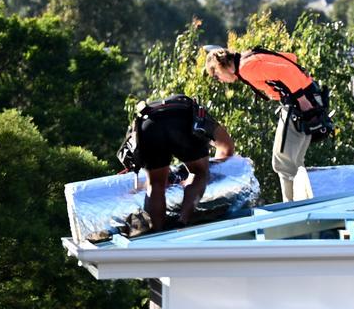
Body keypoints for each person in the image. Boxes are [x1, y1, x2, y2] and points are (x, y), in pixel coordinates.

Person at [203, 46, 325, 202]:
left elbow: (285, 72)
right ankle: (303, 201)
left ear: (220, 66)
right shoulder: (248, 57)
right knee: (293, 160)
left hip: (299, 104)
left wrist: (302, 99)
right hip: (306, 98)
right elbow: (290, 58)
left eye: (216, 76)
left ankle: (293, 206)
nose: (219, 81)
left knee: (282, 161)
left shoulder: (246, 68)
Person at [131, 96, 235, 232]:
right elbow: (226, 146)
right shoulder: (198, 114)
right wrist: (212, 169)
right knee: (198, 173)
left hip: (148, 124)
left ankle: (158, 231)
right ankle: (182, 221)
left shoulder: (150, 110)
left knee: (155, 183)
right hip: (181, 120)